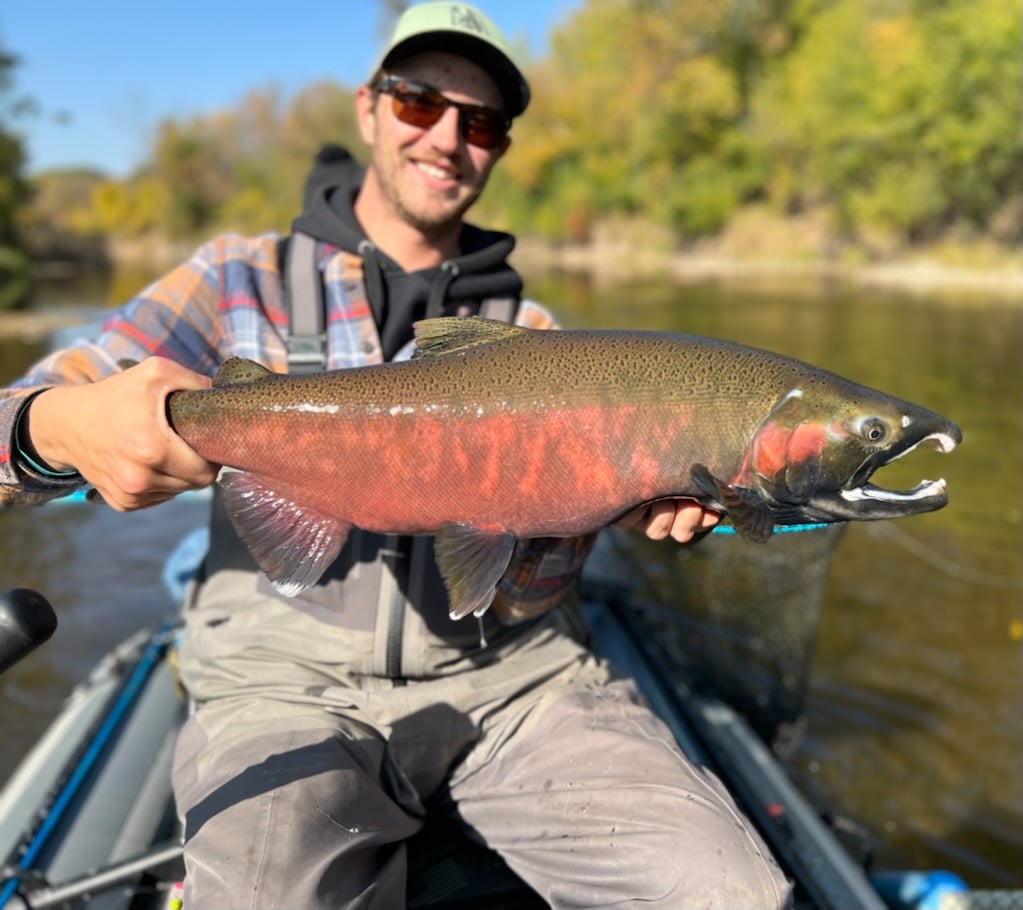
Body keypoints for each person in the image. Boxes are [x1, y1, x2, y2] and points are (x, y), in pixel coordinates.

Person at [0, 4, 792, 908]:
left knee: (731, 892)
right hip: (281, 682)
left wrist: (601, 510)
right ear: (368, 110)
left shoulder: (540, 341)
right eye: (419, 102)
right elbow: (9, 420)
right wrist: (54, 429)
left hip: (513, 680)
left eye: (482, 120)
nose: (448, 137)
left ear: (496, 148)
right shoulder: (231, 280)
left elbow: (513, 587)